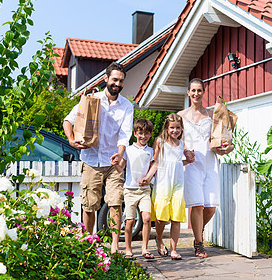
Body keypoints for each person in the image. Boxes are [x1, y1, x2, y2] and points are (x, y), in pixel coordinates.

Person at [63, 62, 133, 254]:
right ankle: (88, 242)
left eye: (121, 81)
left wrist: (119, 154)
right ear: (106, 79)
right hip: (91, 160)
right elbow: (68, 120)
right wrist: (71, 140)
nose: (117, 84)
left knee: (115, 202)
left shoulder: (127, 106)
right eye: (114, 79)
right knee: (89, 205)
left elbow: (124, 135)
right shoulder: (91, 100)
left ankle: (114, 245)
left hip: (113, 162)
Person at [177, 78, 234, 258]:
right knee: (198, 204)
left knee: (211, 207)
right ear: (188, 92)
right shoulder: (181, 115)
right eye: (193, 90)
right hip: (192, 163)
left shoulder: (212, 115)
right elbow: (176, 140)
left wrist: (228, 147)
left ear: (203, 92)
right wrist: (183, 154)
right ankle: (199, 244)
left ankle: (197, 234)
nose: (196, 94)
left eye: (199, 90)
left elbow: (223, 139)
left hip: (210, 161)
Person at [140, 113, 194, 260]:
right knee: (161, 217)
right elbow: (156, 163)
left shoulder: (181, 145)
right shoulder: (160, 141)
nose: (175, 131)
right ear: (166, 128)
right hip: (163, 183)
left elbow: (176, 163)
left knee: (176, 217)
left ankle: (174, 249)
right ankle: (158, 239)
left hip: (178, 183)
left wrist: (187, 162)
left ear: (182, 128)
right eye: (172, 128)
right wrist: (148, 177)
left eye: (178, 128)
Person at [118, 119, 155, 260]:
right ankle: (128, 249)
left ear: (150, 134)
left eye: (146, 134)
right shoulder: (128, 150)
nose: (143, 136)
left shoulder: (150, 151)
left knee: (146, 218)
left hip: (145, 190)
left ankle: (145, 248)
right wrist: (115, 164)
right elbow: (120, 168)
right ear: (135, 134)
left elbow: (153, 169)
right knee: (130, 221)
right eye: (140, 133)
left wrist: (148, 179)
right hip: (130, 190)